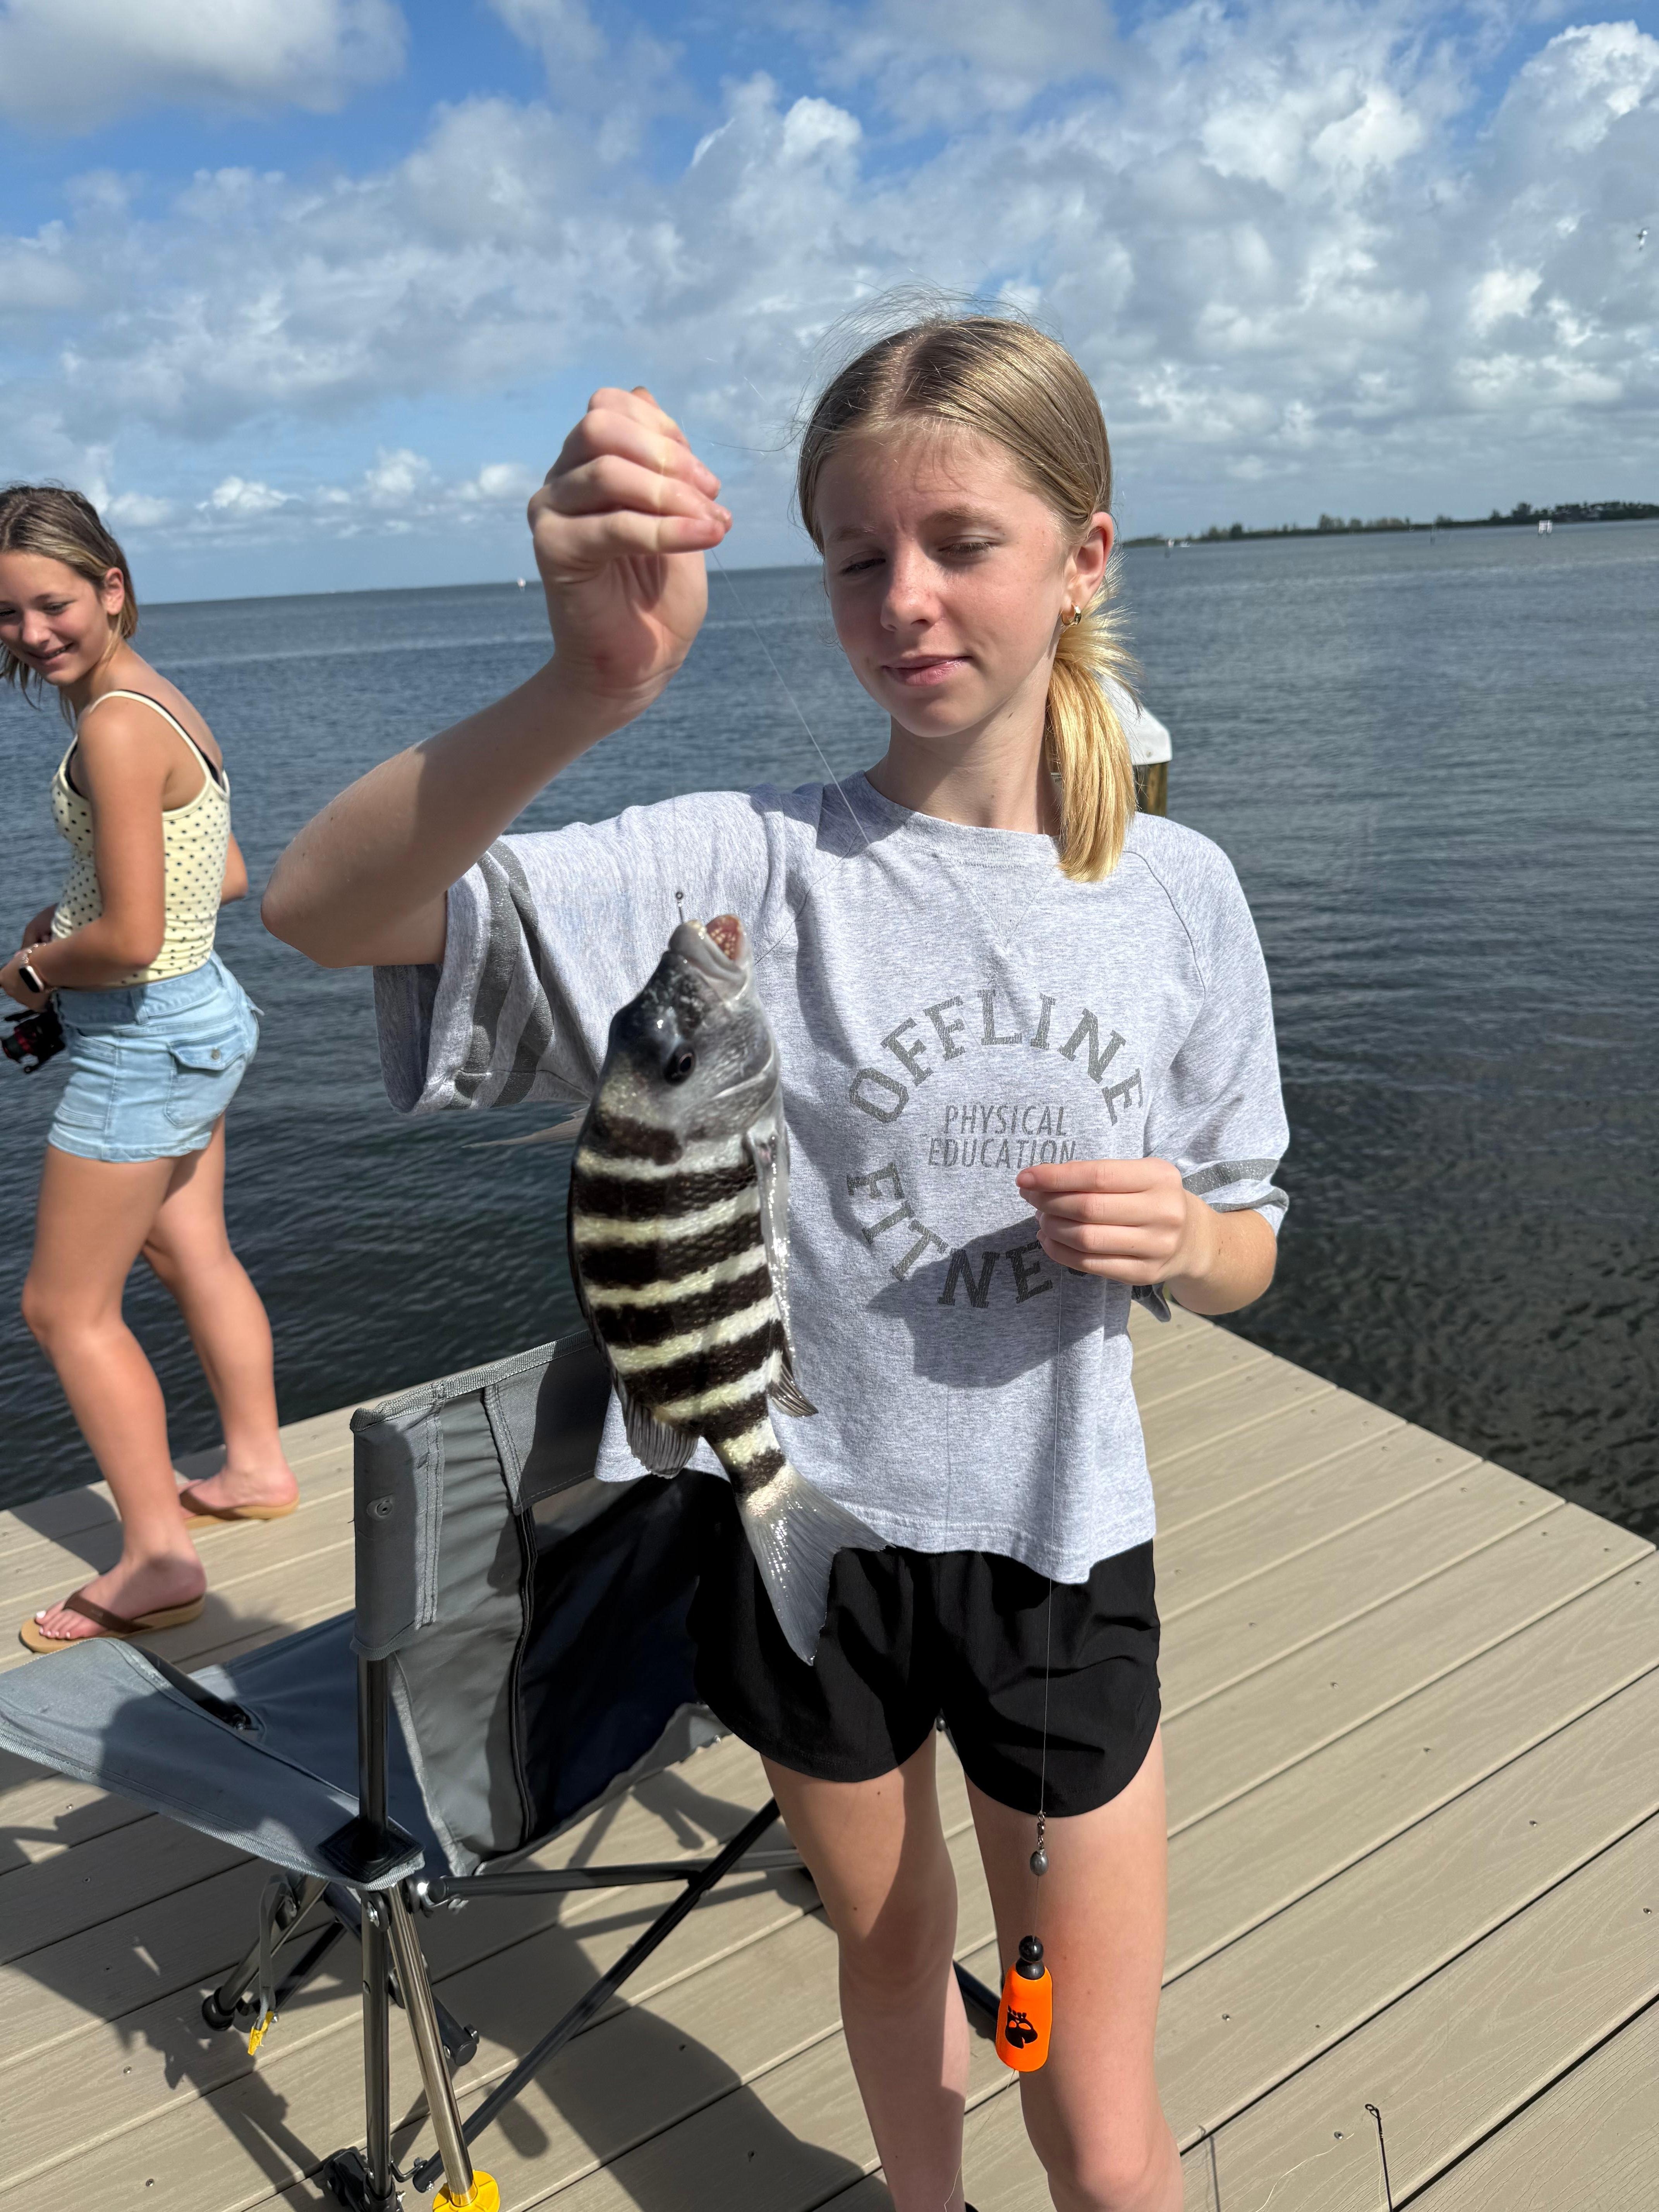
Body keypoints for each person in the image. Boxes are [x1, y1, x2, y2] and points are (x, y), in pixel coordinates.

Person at [263, 311, 1287, 2212]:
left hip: (1060, 1548)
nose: (905, 599)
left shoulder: (1181, 896)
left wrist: (1194, 1235)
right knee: (889, 1948)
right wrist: (584, 688)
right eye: (854, 557)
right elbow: (323, 910)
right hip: (793, 1525)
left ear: (1085, 556)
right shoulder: (748, 864)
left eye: (961, 543)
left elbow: (1250, 1248)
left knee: (1092, 2092)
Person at [0, 486, 297, 1655]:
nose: (32, 634)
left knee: (63, 1307)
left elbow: (129, 939)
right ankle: (257, 1465)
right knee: (188, 1249)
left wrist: (31, 968)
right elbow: (221, 870)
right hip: (200, 1019)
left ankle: (159, 1561)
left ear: (111, 587)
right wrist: (76, 911)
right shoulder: (159, 702)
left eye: (53, 605)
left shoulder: (114, 729)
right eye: (8, 616)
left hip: (142, 1036)